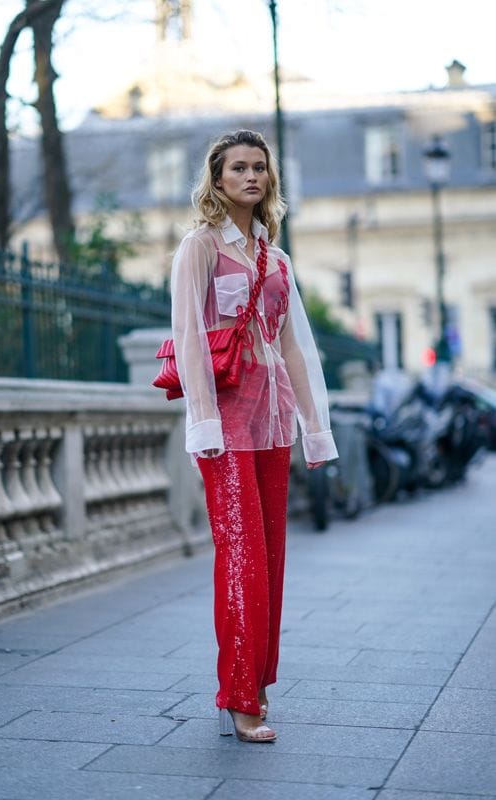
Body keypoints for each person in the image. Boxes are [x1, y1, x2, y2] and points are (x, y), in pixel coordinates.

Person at [170, 129, 338, 743]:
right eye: (237, 168)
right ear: (216, 180)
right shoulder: (200, 247)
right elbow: (190, 336)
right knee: (239, 556)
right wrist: (204, 422)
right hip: (227, 424)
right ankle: (239, 696)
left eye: (259, 168)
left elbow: (295, 344)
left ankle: (257, 683)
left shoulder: (277, 257)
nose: (250, 177)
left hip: (272, 420)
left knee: (270, 556)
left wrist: (314, 428)